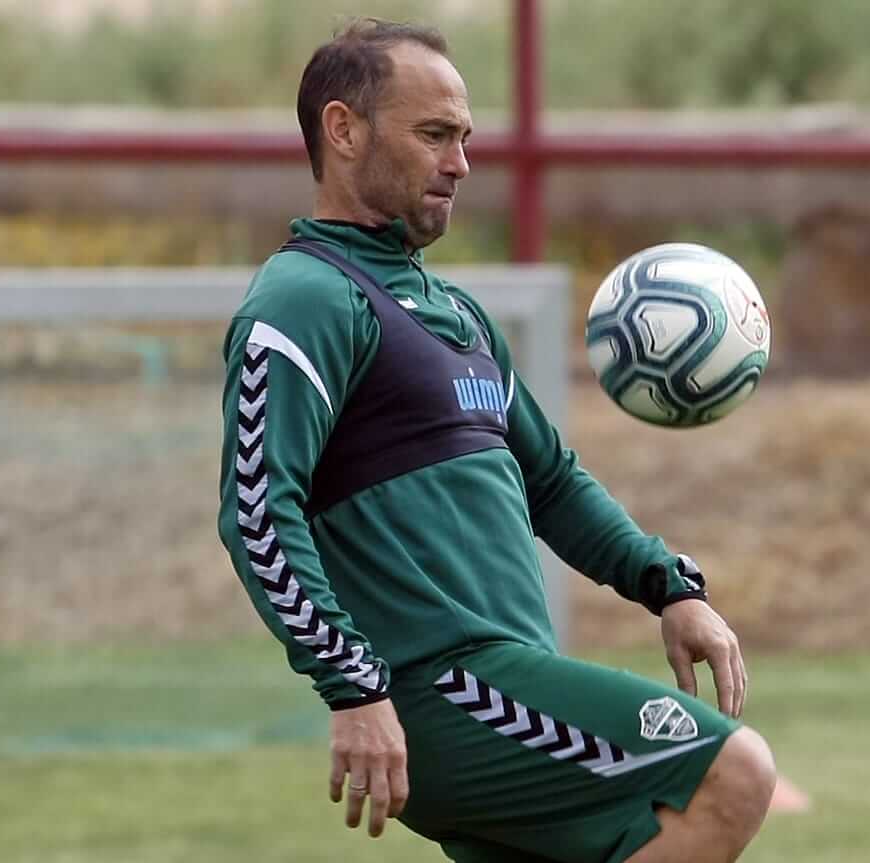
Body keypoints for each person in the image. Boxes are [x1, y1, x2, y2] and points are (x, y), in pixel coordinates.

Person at [216, 18, 775, 863]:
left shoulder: (459, 317)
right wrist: (353, 685)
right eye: (434, 134)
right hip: (443, 691)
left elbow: (550, 482)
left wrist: (670, 587)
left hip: (501, 682)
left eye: (465, 138)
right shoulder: (304, 300)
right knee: (729, 772)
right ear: (344, 129)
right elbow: (257, 509)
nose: (460, 163)